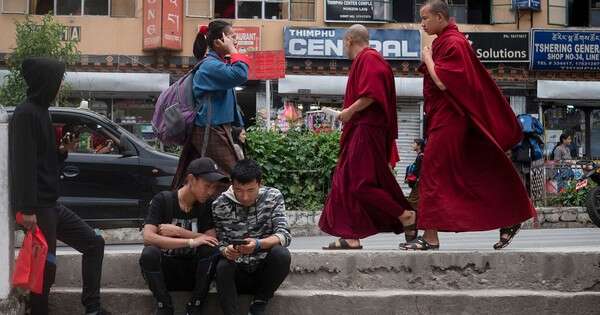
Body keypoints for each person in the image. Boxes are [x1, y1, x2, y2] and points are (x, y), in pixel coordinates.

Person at [404, 0, 536, 251]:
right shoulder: (445, 40)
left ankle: (430, 238)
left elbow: (443, 82)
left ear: (441, 18)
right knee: (465, 175)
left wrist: (428, 58)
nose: (422, 24)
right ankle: (511, 216)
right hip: (443, 120)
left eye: (425, 18)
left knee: (433, 174)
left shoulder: (453, 43)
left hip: (450, 121)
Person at [9, 57, 109, 315]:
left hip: (50, 204)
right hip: (38, 207)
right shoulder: (25, 113)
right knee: (45, 268)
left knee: (94, 243)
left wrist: (62, 150)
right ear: (46, 81)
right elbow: (23, 164)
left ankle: (93, 308)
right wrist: (26, 209)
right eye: (57, 79)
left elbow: (45, 160)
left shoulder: (42, 112)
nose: (60, 85)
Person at [318, 24, 417, 250]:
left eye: (344, 41)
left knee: (361, 183)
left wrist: (348, 112)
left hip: (366, 128)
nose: (343, 46)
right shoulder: (365, 61)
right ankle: (351, 236)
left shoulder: (369, 58)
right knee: (347, 181)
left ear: (349, 39)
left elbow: (372, 93)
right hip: (361, 129)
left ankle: (404, 215)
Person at [140, 157, 230, 315]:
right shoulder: (163, 200)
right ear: (191, 179)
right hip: (166, 271)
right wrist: (191, 241)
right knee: (149, 254)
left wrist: (181, 233)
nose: (211, 191)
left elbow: (211, 240)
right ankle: (164, 306)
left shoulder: (207, 205)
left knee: (211, 251)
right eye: (207, 185)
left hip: (195, 273)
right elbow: (148, 237)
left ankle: (195, 306)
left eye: (214, 187)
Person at [172, 20, 250, 189]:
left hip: (215, 128)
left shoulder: (217, 65)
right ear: (217, 42)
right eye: (231, 37)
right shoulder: (210, 66)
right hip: (210, 129)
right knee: (234, 177)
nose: (235, 41)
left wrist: (238, 126)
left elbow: (230, 100)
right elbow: (241, 74)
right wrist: (233, 50)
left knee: (205, 178)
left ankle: (196, 211)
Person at [212, 159, 292, 315]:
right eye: (238, 190)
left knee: (281, 254)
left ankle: (259, 302)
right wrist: (225, 250)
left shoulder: (273, 197)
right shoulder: (219, 204)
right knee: (222, 265)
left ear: (260, 183)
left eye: (250, 190)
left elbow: (284, 235)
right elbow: (218, 241)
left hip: (264, 273)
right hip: (237, 272)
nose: (245, 196)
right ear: (232, 184)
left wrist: (258, 244)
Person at [405, 138, 425, 211]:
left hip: (418, 182)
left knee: (412, 201)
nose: (412, 145)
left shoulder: (421, 156)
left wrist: (411, 178)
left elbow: (418, 170)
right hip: (418, 182)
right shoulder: (420, 156)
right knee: (414, 201)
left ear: (419, 146)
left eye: (414, 143)